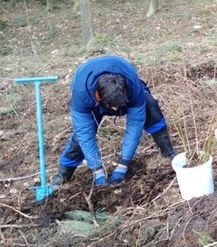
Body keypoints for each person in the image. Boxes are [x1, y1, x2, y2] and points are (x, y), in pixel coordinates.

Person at [50, 55, 176, 187]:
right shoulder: (82, 94)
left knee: (150, 106)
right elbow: (85, 134)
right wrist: (97, 169)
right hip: (91, 98)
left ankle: (168, 152)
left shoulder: (133, 86)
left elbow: (135, 125)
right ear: (100, 97)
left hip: (125, 89)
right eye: (113, 106)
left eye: (119, 106)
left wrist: (123, 164)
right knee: (80, 138)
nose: (116, 109)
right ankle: (62, 176)